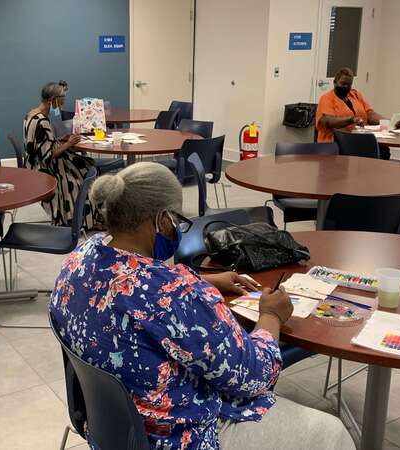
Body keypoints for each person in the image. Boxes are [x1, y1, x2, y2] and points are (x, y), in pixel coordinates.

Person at [50, 162, 355, 450]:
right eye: (176, 221)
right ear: (160, 218)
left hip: (110, 428)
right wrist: (271, 316)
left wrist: (200, 280)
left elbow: (137, 290)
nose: (176, 230)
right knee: (331, 432)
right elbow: (252, 377)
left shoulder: (80, 258)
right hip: (176, 437)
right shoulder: (177, 294)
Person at [23, 80, 102, 229]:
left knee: (86, 164)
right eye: (61, 101)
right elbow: (48, 155)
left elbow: (41, 144)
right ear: (52, 100)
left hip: (32, 163)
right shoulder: (42, 122)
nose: (62, 104)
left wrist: (59, 139)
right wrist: (69, 144)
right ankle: (80, 218)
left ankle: (80, 214)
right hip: (43, 167)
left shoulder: (31, 114)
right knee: (85, 171)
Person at [316, 67, 390, 159]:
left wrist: (387, 121)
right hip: (336, 142)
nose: (345, 87)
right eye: (343, 83)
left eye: (349, 85)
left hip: (357, 139)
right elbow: (327, 121)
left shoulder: (355, 95)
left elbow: (370, 114)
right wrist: (351, 120)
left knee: (383, 150)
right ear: (335, 82)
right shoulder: (327, 98)